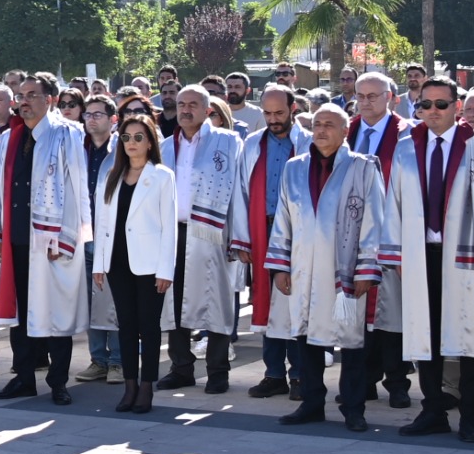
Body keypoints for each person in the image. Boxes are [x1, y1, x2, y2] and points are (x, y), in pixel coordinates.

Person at [381, 76, 474, 438]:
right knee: (424, 334)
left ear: (457, 106)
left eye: (441, 104)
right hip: (420, 254)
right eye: (424, 105)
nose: (432, 111)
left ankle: (469, 416)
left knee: (469, 337)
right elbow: (394, 202)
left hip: (465, 254)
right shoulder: (406, 145)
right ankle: (433, 408)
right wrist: (397, 255)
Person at [265, 104, 386, 430]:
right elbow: (283, 219)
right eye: (317, 124)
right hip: (304, 268)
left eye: (329, 125)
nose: (321, 130)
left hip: (344, 269)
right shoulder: (294, 167)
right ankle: (311, 403)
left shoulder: (363, 167)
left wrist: (366, 269)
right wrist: (280, 266)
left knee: (351, 343)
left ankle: (353, 408)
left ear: (346, 131)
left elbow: (375, 221)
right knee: (306, 339)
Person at [0, 73, 90, 403]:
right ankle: (24, 378)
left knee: (54, 310)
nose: (24, 100)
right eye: (20, 95)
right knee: (21, 312)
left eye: (31, 94)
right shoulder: (10, 138)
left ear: (50, 100)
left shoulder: (66, 134)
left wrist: (68, 236)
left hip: (51, 238)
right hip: (17, 236)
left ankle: (59, 382)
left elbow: (78, 187)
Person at [230, 84, 310, 399]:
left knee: (294, 302)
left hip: (296, 232)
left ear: (294, 109)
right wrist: (243, 239)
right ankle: (273, 373)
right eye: (267, 113)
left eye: (279, 112)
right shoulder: (252, 144)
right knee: (264, 301)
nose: (273, 119)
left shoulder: (306, 142)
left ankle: (301, 375)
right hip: (261, 231)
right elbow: (240, 192)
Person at [163, 85, 242, 395]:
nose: (185, 109)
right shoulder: (166, 146)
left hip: (212, 233)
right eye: (181, 104)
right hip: (172, 233)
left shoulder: (228, 142)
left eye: (193, 104)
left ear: (208, 109)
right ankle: (181, 368)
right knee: (173, 300)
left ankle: (217, 371)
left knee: (216, 301)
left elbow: (240, 191)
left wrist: (238, 237)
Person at [93, 114, 176, 408]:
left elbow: (169, 227)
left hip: (150, 264)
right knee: (125, 325)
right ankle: (129, 386)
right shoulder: (112, 175)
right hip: (117, 261)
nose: (131, 143)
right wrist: (99, 264)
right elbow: (102, 222)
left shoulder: (162, 176)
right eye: (126, 138)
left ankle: (146, 387)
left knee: (148, 326)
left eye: (138, 137)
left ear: (150, 141)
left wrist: (167, 269)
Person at [346, 72, 411, 409]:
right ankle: (362, 379)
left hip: (392, 235)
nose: (367, 101)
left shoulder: (408, 134)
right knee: (355, 310)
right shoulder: (348, 131)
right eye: (361, 95)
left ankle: (397, 382)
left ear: (391, 98)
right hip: (353, 237)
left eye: (374, 95)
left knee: (392, 314)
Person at [76, 96, 122, 382]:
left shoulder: (121, 149)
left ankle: (118, 360)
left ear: (112, 119)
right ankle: (98, 360)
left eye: (98, 114)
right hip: (84, 232)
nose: (92, 120)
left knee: (113, 299)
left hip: (112, 233)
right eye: (88, 115)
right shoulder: (77, 149)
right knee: (90, 300)